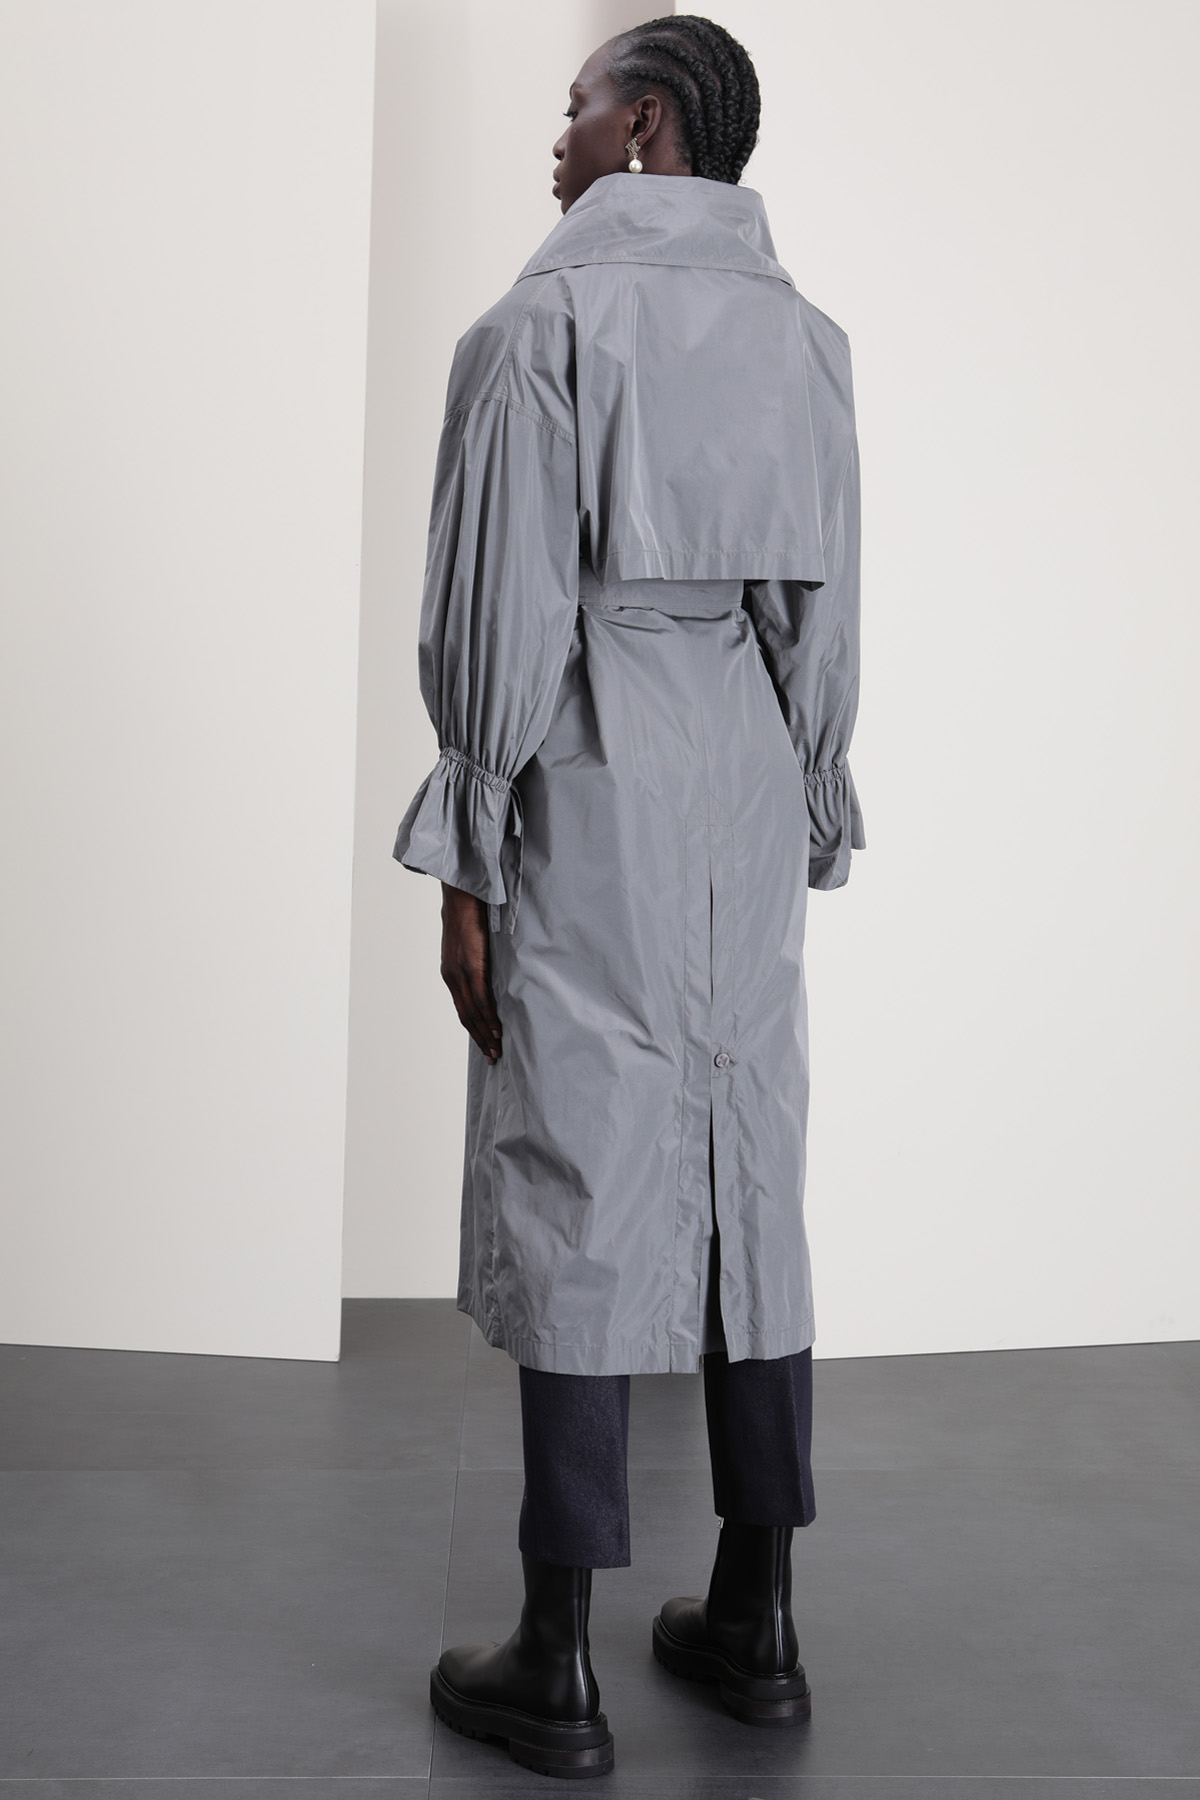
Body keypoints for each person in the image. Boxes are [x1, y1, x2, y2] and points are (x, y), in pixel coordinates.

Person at [392, 14, 864, 1781]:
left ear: (645, 122)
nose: (561, 131)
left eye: (578, 105)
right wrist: (811, 779)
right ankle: (758, 1615)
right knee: (750, 1165)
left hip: (590, 761)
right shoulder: (806, 339)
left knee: (576, 1168)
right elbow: (825, 609)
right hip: (746, 760)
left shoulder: (541, 328)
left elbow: (503, 600)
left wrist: (471, 842)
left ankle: (556, 1654)